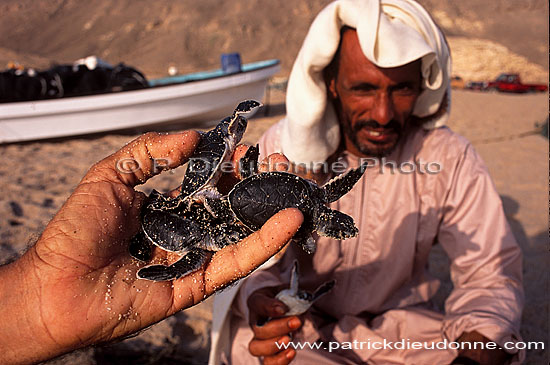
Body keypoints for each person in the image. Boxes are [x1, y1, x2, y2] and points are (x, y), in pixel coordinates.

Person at [210, 1, 524, 364]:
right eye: (363, 88)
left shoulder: (449, 158)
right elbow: (249, 260)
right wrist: (262, 299)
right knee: (249, 348)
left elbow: (491, 275)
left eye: (401, 89)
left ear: (422, 88)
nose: (382, 113)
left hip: (409, 335)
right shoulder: (283, 150)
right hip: (305, 331)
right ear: (331, 85)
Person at [0, 131, 304, 365]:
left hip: (179, 225)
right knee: (197, 251)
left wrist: (39, 296)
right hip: (178, 230)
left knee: (198, 250)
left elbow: (189, 254)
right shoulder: (194, 237)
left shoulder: (189, 226)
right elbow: (189, 256)